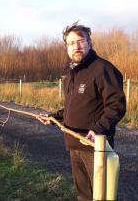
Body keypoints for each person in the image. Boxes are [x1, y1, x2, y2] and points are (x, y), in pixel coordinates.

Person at [37, 22, 126, 201]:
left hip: (95, 148)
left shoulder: (103, 69)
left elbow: (116, 105)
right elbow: (72, 108)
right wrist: (53, 117)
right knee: (84, 196)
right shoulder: (70, 76)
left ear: (89, 43)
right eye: (71, 43)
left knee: (101, 196)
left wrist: (98, 130)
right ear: (66, 48)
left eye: (80, 41)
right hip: (74, 145)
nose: (76, 46)